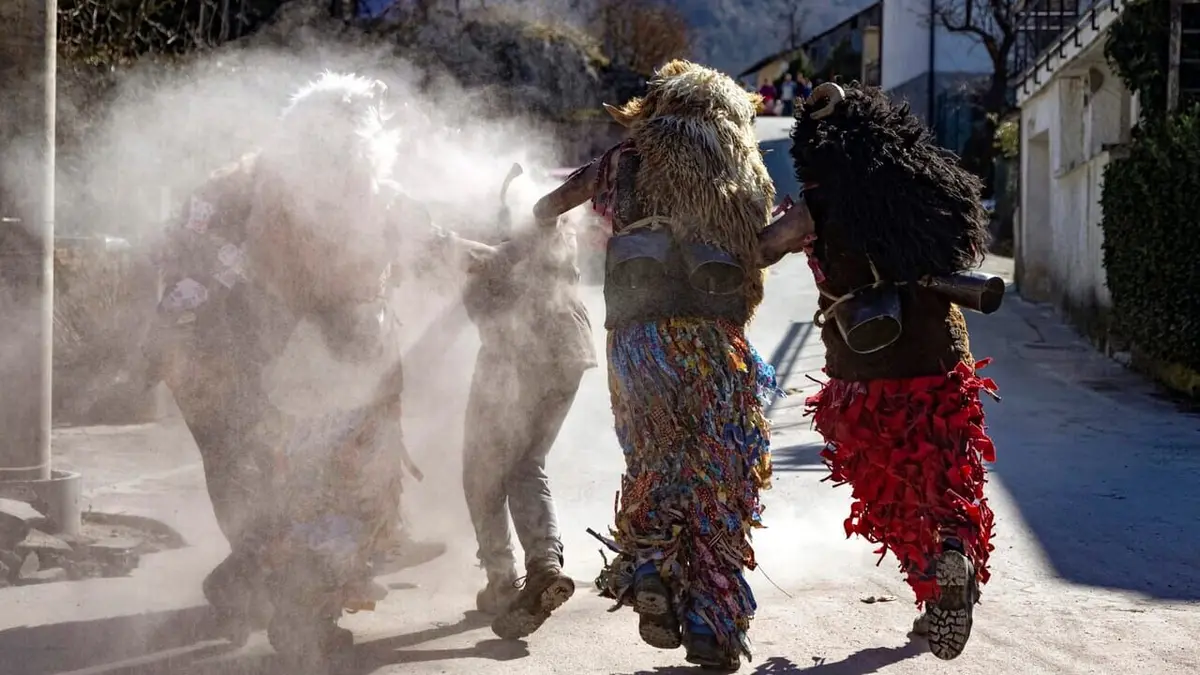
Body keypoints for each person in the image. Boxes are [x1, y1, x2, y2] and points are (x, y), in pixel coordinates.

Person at [143, 71, 444, 645]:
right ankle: (282, 604)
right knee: (283, 482)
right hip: (244, 366)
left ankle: (259, 587)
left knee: (285, 483)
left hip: (282, 366)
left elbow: (415, 238)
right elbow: (203, 273)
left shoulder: (332, 188)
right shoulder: (251, 190)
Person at [530, 60, 778, 670]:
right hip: (712, 346)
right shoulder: (738, 167)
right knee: (720, 475)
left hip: (637, 344)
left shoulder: (619, 161)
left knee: (653, 460)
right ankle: (712, 625)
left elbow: (547, 206)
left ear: (656, 108)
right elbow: (768, 241)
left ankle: (651, 571)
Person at [772, 82, 998, 661]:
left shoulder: (814, 209)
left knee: (886, 489)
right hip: (941, 361)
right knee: (952, 479)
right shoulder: (925, 188)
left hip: (861, 375)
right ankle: (952, 550)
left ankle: (929, 573)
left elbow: (758, 250)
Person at [448, 170, 597, 640]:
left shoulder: (501, 244)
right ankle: (544, 565)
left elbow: (482, 296)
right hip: (571, 351)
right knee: (527, 463)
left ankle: (503, 581)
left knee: (482, 470)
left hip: (518, 358)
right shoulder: (553, 232)